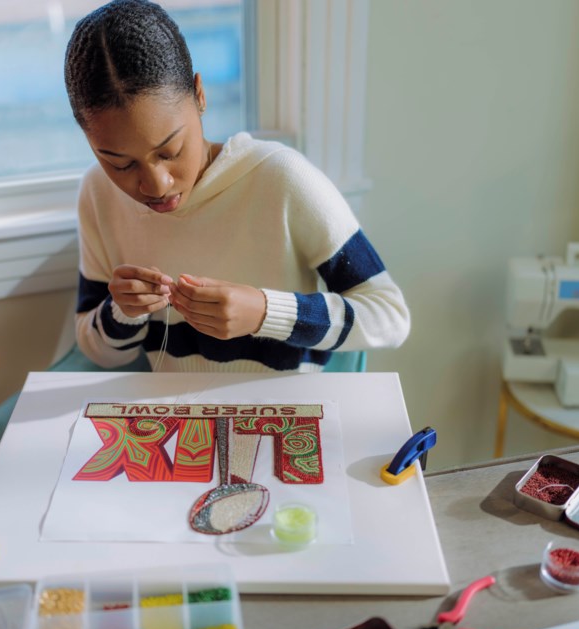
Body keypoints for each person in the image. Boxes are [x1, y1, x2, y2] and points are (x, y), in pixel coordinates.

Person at [64, 0, 409, 373]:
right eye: (121, 164)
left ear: (199, 95)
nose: (156, 184)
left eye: (170, 151)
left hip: (286, 417)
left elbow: (389, 316)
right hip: (175, 420)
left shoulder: (281, 179)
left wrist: (265, 312)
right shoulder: (98, 194)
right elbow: (99, 353)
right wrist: (123, 313)